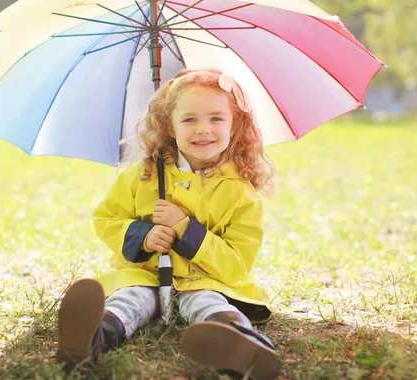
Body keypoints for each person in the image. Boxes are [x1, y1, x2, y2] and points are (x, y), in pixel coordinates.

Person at [56, 68, 280, 380]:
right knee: (128, 299)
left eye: (216, 118)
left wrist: (185, 228)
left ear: (235, 124)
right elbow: (107, 218)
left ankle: (240, 345)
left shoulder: (240, 191)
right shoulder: (144, 174)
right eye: (189, 119)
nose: (203, 129)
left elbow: (237, 264)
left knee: (208, 303)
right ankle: (89, 338)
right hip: (145, 274)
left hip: (204, 279)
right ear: (170, 126)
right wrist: (144, 237)